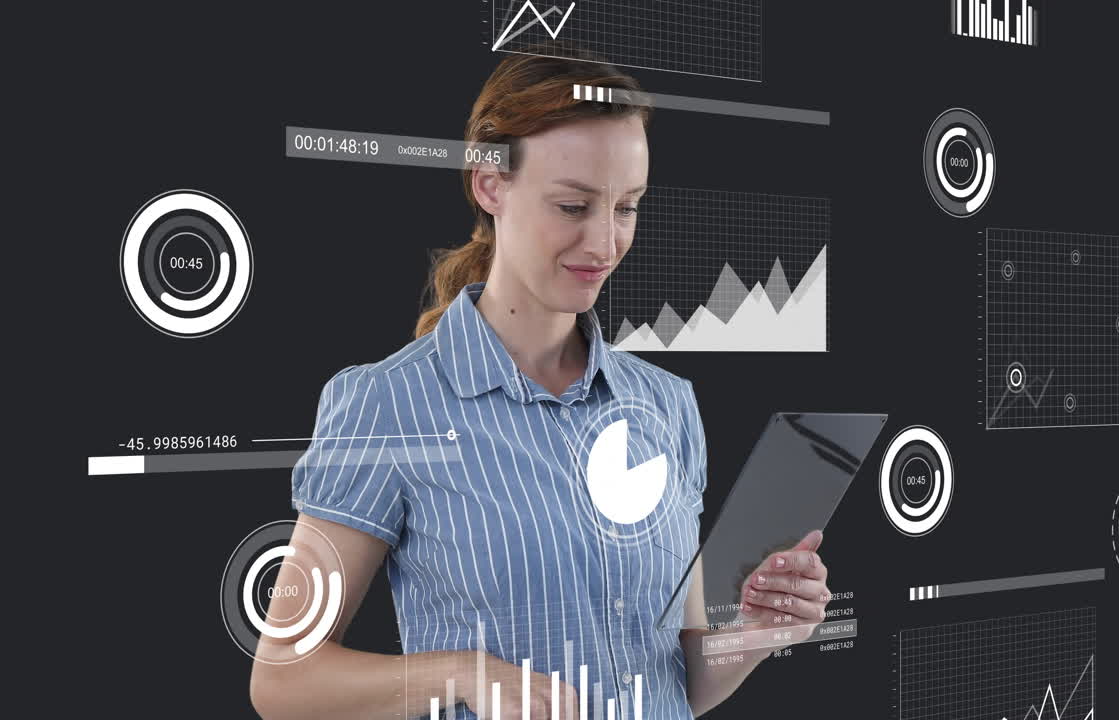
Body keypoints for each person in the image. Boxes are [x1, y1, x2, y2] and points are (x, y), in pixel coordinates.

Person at [250, 51, 832, 720]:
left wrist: (757, 635)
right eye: (573, 205)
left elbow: (676, 680)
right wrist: (463, 675)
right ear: (490, 185)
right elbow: (283, 684)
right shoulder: (387, 406)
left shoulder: (667, 406)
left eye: (627, 208)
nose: (605, 242)